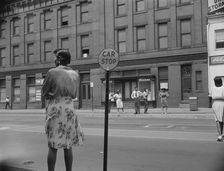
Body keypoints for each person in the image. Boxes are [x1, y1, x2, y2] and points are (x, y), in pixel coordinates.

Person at [42, 49, 84, 171]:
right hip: (69, 109)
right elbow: (75, 94)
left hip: (56, 109)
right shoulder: (75, 74)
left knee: (53, 146)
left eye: (55, 58)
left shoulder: (52, 72)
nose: (54, 60)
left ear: (59, 59)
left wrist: (52, 93)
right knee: (68, 145)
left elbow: (44, 92)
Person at [209, 77, 224, 142]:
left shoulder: (213, 88)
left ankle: (220, 135)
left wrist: (210, 105)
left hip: (218, 103)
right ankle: (221, 135)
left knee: (219, 120)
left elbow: (210, 97)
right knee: (220, 120)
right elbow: (210, 97)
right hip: (219, 103)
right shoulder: (221, 88)